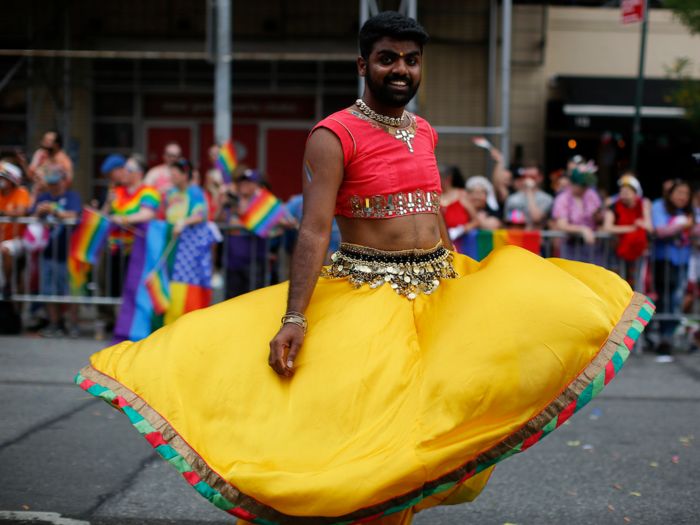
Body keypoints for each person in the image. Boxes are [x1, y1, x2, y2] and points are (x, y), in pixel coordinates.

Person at [76, 12, 654, 525]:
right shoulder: (333, 135)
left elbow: (432, 211)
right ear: (363, 64)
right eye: (387, 59)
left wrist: (461, 279)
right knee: (366, 432)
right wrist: (296, 317)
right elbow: (313, 228)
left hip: (438, 289)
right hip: (365, 294)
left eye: (411, 59)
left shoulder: (424, 131)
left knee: (444, 410)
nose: (401, 69)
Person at [30, 167, 82, 337]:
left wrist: (53, 211)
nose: (53, 186)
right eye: (50, 182)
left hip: (68, 252)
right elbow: (30, 217)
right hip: (47, 251)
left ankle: (72, 323)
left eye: (56, 182)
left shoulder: (72, 196)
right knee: (48, 289)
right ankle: (54, 323)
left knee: (71, 289)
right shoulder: (43, 197)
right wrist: (38, 212)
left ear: (64, 181)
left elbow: (74, 215)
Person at [103, 154, 160, 296]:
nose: (124, 172)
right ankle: (115, 317)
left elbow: (147, 214)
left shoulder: (149, 192)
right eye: (124, 168)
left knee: (134, 289)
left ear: (140, 172)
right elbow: (105, 215)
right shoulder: (117, 191)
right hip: (115, 248)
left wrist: (124, 219)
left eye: (129, 168)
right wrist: (108, 203)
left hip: (137, 250)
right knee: (114, 289)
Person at [652, 180, 693, 362]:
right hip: (664, 260)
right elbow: (660, 231)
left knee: (678, 298)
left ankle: (667, 337)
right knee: (665, 298)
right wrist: (684, 226)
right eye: (679, 192)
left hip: (683, 260)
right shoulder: (658, 206)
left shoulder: (690, 211)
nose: (682, 196)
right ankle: (663, 338)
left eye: (686, 193)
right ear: (670, 193)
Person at [601, 175, 652, 287]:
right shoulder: (613, 206)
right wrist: (631, 228)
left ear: (636, 194)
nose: (623, 195)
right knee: (615, 282)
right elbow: (607, 227)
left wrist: (641, 224)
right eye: (621, 192)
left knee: (634, 284)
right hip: (616, 250)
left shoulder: (642, 206)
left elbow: (649, 227)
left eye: (627, 192)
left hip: (636, 251)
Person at [551, 166, 603, 261]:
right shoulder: (563, 198)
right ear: (573, 183)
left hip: (592, 247)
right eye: (582, 185)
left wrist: (599, 217)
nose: (585, 188)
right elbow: (561, 225)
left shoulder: (592, 195)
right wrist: (583, 229)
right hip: (571, 246)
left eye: (587, 185)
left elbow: (600, 218)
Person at [0, 162, 30, 298]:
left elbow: (21, 212)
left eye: (3, 178)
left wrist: (3, 212)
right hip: (2, 240)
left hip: (18, 240)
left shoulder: (21, 192)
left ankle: (7, 284)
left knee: (5, 249)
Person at [503, 162, 553, 229]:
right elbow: (506, 223)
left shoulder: (547, 199)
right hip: (516, 237)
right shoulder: (512, 198)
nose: (527, 179)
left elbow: (536, 218)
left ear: (540, 177)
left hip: (536, 238)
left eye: (532, 177)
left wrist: (529, 191)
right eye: (525, 176)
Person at [164, 158, 206, 236]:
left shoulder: (195, 192)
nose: (171, 177)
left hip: (189, 237)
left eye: (174, 175)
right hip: (172, 235)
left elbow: (199, 216)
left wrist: (181, 223)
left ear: (184, 176)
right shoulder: (171, 192)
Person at [438, 164, 478, 241]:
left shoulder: (462, 194)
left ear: (448, 178)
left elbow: (476, 221)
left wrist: (461, 230)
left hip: (461, 242)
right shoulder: (433, 196)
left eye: (439, 177)